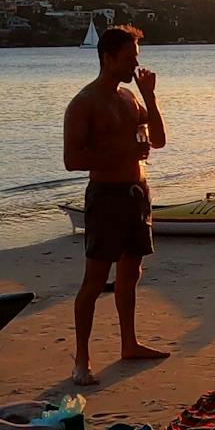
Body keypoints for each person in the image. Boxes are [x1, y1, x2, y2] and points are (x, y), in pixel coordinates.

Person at [63, 24, 169, 385]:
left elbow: (158, 140)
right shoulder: (85, 102)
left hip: (137, 192)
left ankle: (129, 342)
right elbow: (72, 159)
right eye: (128, 60)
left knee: (131, 273)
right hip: (106, 196)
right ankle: (82, 358)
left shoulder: (130, 98)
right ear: (107, 58)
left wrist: (150, 96)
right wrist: (121, 151)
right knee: (94, 280)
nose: (133, 66)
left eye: (136, 58)